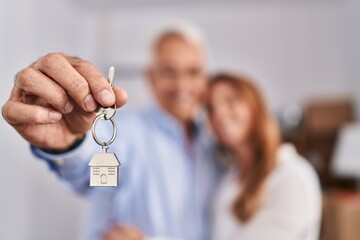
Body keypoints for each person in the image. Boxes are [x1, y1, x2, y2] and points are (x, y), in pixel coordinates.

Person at [2, 24, 224, 240]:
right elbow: (86, 163)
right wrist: (70, 143)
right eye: (168, 71)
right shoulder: (127, 131)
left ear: (206, 79)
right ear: (151, 77)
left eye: (193, 72)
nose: (181, 84)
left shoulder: (214, 146)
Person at [207, 73, 322, 240]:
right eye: (210, 108)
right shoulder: (229, 180)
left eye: (230, 101)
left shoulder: (291, 175)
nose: (219, 113)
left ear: (255, 106)